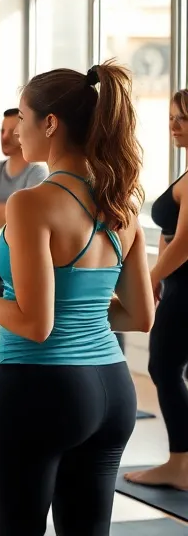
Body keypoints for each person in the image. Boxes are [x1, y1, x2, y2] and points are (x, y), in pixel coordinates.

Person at [0, 62, 154, 534]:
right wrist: (82, 313)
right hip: (113, 392)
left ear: (50, 124)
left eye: (21, 116)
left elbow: (35, 323)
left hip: (41, 390)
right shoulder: (123, 203)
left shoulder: (31, 202)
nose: (15, 131)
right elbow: (141, 316)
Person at [128, 89, 188, 490]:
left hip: (185, 289)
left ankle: (179, 465)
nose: (172, 126)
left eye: (181, 120)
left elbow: (184, 244)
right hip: (180, 285)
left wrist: (150, 277)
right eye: (171, 118)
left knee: (163, 368)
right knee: (168, 369)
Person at [0, 108, 49, 385]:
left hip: (28, 252)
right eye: (1, 131)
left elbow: (17, 213)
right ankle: (0, 361)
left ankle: (13, 363)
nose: (5, 137)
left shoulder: (37, 171)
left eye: (11, 132)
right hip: (2, 248)